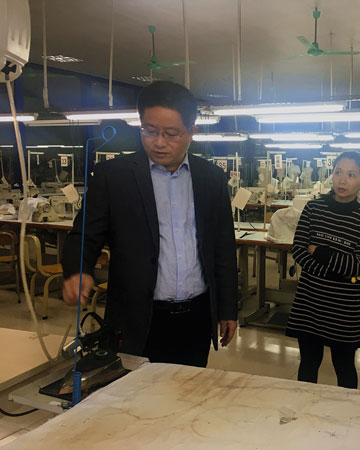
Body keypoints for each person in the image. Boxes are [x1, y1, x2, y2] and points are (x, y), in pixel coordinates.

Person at [61, 81, 238, 367]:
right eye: (149, 130)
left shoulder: (211, 178)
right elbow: (85, 235)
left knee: (188, 389)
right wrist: (77, 271)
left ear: (191, 132)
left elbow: (223, 248)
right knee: (135, 392)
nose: (159, 142)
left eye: (171, 133)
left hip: (196, 317)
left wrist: (228, 308)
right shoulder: (113, 176)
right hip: (136, 317)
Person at [286, 151, 360, 389]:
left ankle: (346, 411)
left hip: (343, 310)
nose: (342, 180)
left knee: (344, 367)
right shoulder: (313, 209)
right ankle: (305, 409)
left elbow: (358, 266)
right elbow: (298, 250)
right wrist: (337, 272)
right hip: (310, 303)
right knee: (308, 364)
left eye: (351, 175)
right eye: (338, 172)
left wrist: (318, 251)